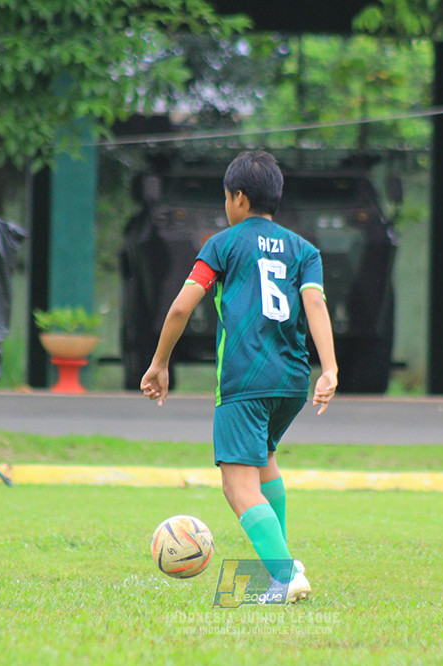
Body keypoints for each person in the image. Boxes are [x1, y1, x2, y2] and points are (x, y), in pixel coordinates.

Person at [140, 150, 338, 603]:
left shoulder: (222, 244)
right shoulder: (305, 251)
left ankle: (284, 574)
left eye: (226, 197)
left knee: (237, 485)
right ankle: (282, 567)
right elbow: (315, 306)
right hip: (291, 381)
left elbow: (180, 307)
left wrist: (159, 363)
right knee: (264, 459)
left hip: (245, 380)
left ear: (240, 199)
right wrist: (328, 368)